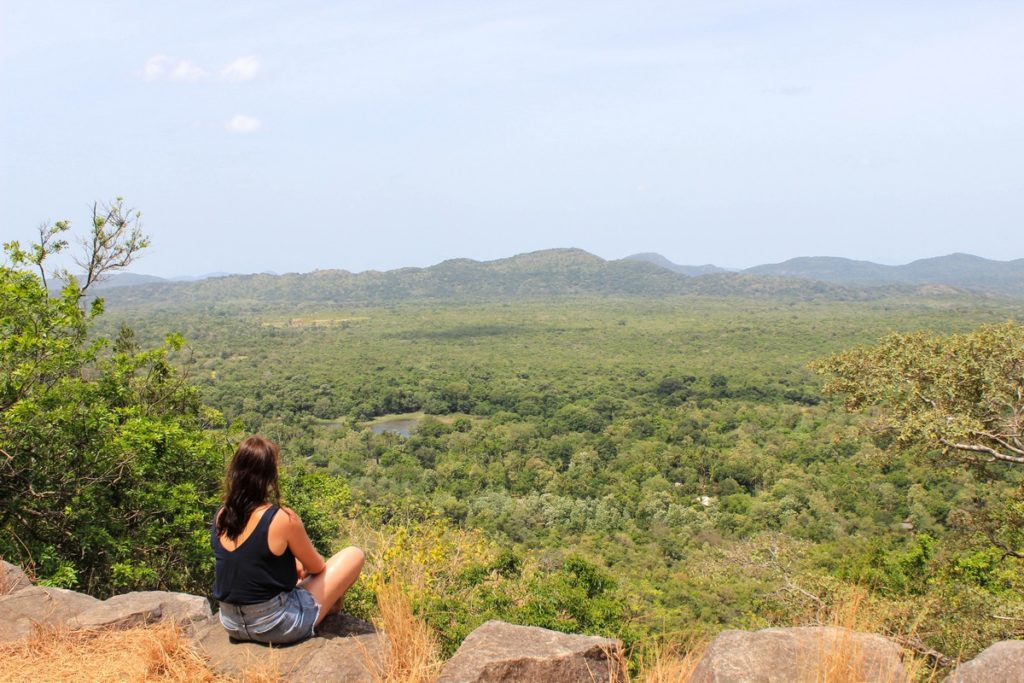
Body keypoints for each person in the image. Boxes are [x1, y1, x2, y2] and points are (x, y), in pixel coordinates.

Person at [211, 435, 364, 644]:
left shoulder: (221, 516)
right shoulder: (281, 518)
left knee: (295, 564)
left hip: (231, 623)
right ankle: (326, 612)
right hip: (275, 625)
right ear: (269, 477)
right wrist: (302, 567)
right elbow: (318, 567)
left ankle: (321, 609)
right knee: (354, 555)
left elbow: (249, 562)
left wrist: (294, 564)